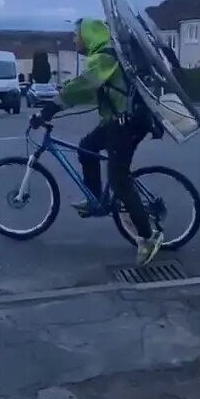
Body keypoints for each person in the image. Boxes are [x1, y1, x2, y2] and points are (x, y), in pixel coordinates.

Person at [30, 18, 164, 266]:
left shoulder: (106, 56)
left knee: (119, 180)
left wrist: (49, 110)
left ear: (89, 35)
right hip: (115, 122)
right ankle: (96, 200)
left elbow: (85, 86)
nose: (74, 39)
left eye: (76, 35)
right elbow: (86, 85)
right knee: (86, 147)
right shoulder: (104, 56)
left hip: (128, 125)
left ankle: (147, 236)